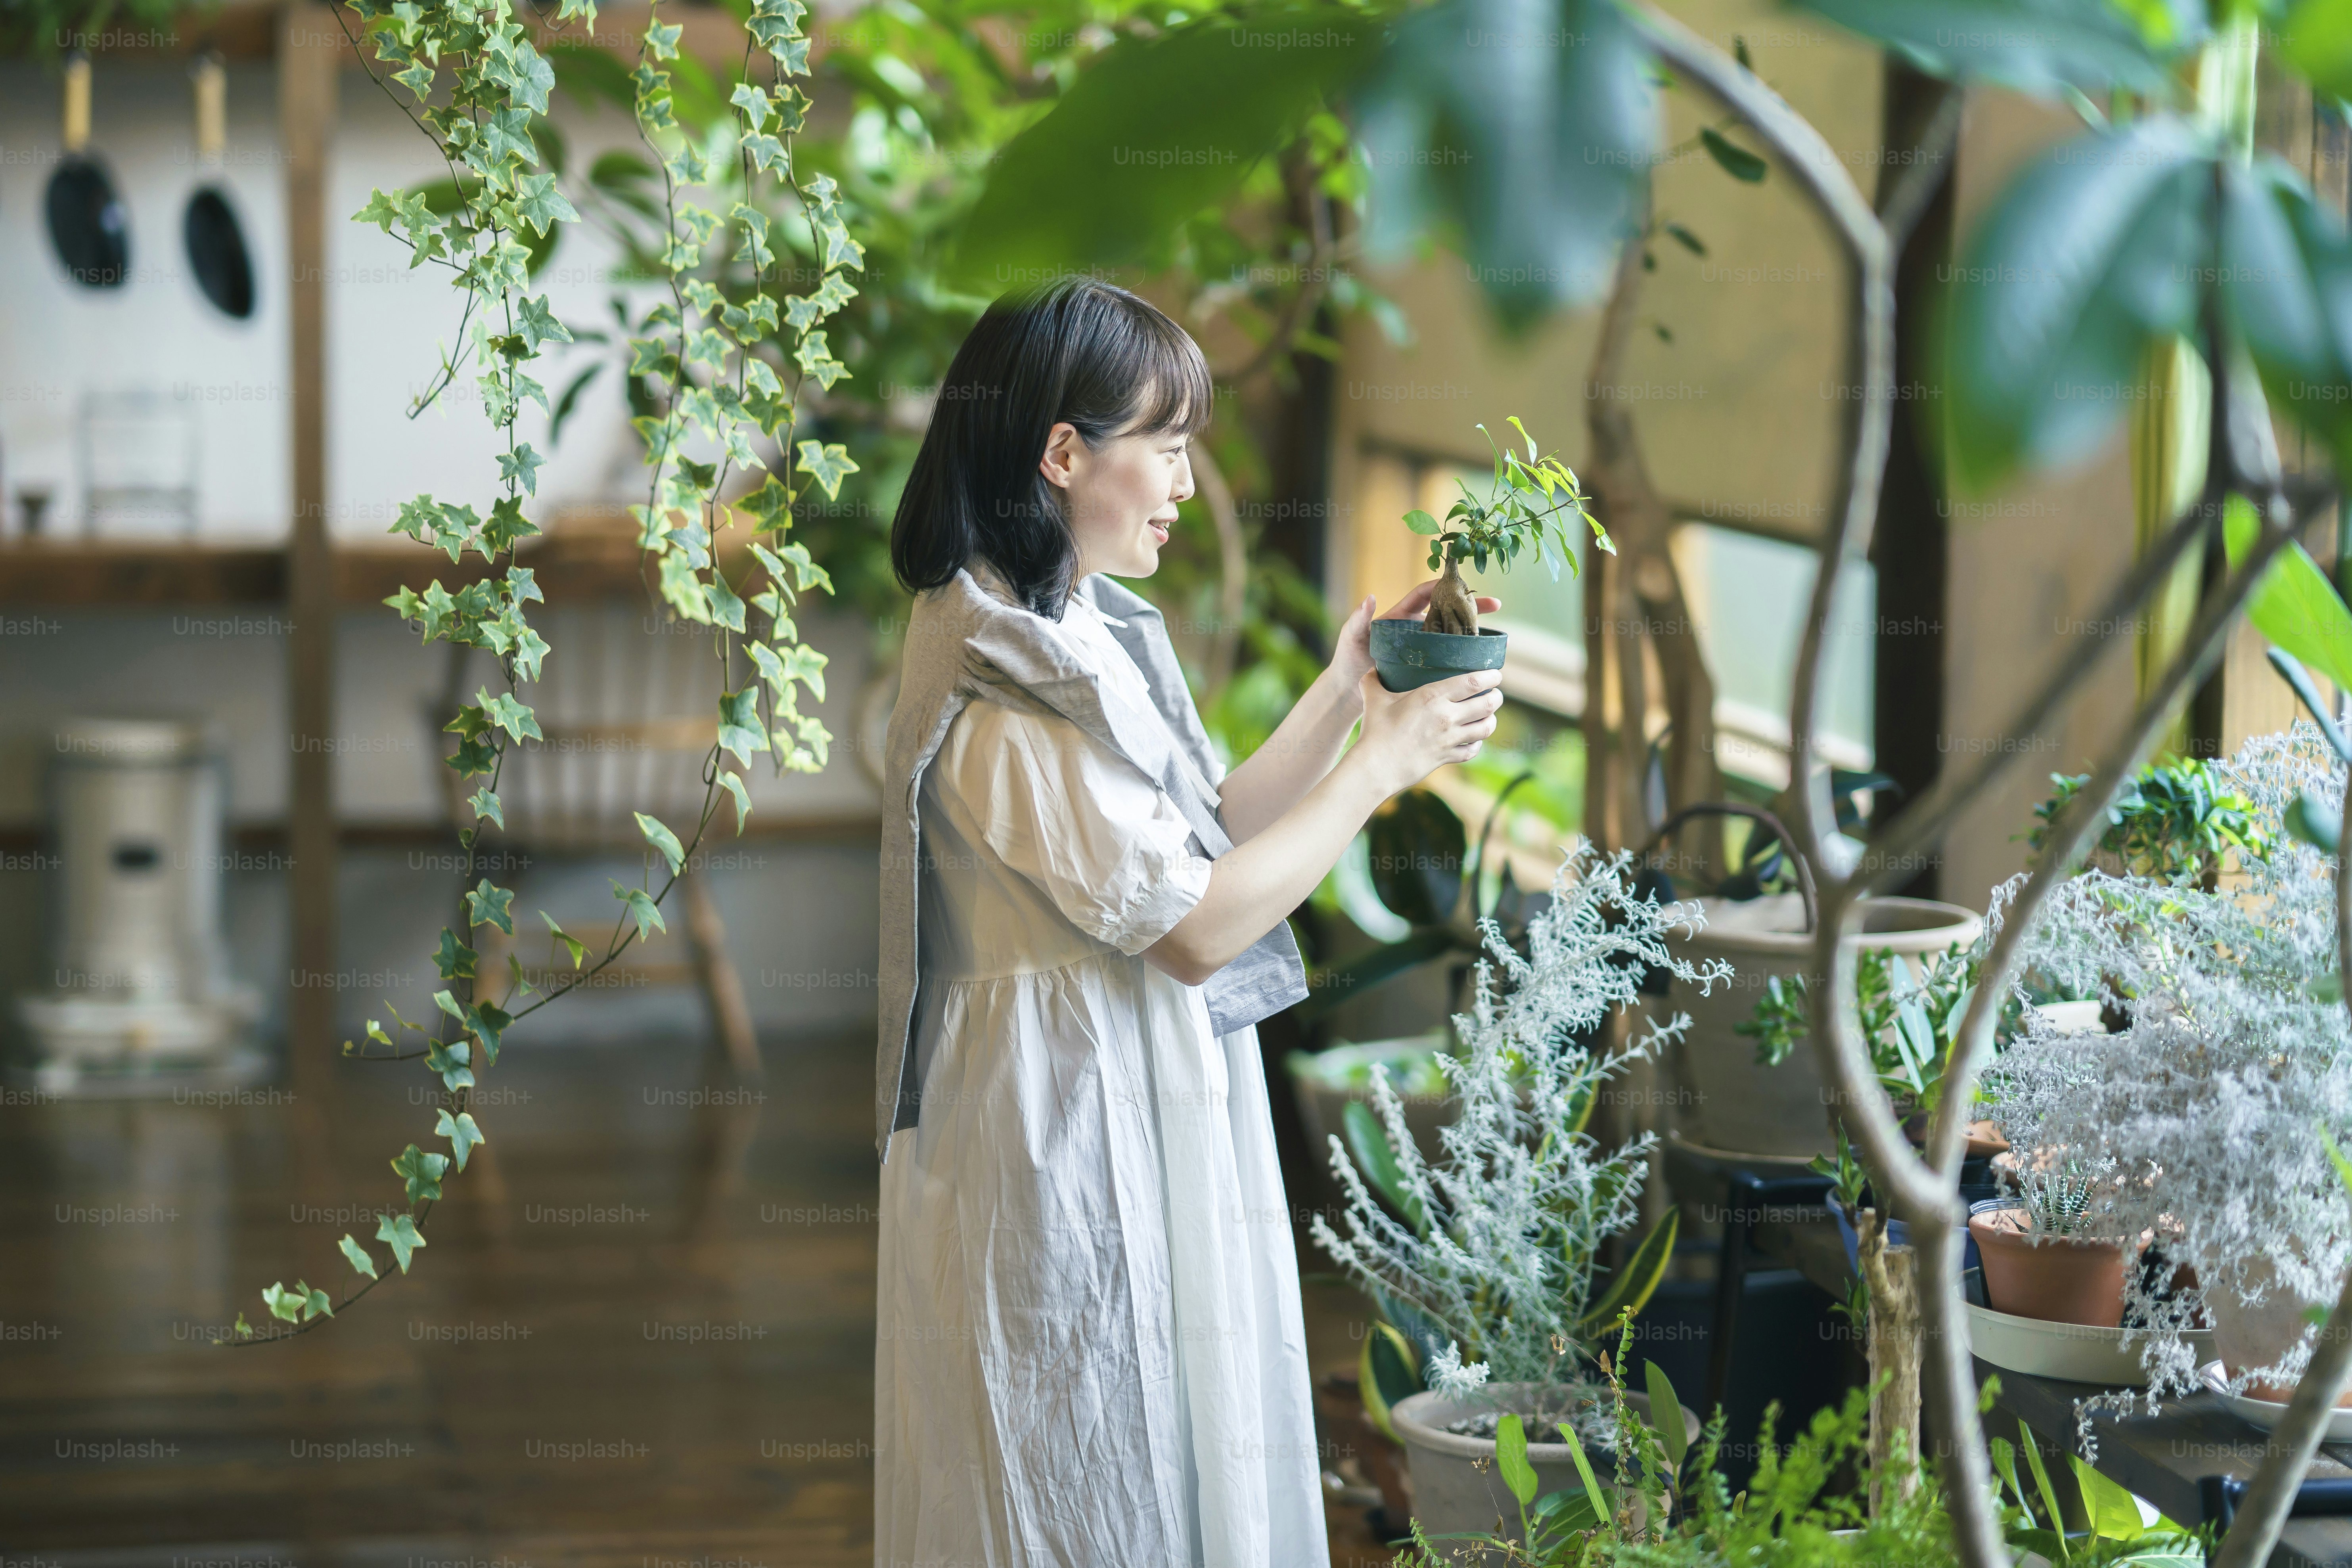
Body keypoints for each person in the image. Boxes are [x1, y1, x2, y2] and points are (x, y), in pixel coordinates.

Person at [871, 276, 1502, 1568]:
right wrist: (1377, 769)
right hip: (1060, 1122)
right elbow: (1198, 926)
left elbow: (1193, 833)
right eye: (1162, 444)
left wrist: (1345, 691)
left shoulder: (1053, 622)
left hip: (1116, 1082)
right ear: (1064, 454)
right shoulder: (1004, 698)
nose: (1176, 479)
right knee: (1085, 1465)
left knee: (1160, 1442)